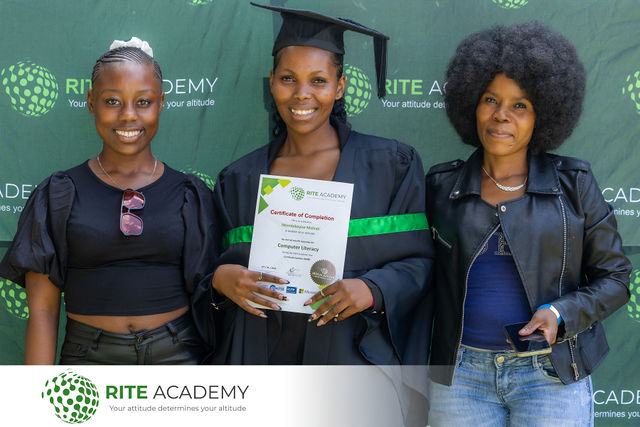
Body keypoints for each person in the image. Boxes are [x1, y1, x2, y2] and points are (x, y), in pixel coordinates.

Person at [193, 2, 432, 369]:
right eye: (288, 78)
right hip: (259, 360)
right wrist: (222, 280)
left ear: (340, 86)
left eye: (318, 80)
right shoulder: (239, 180)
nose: (301, 93)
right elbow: (207, 271)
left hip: (348, 362)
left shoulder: (390, 167)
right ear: (272, 81)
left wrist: (372, 289)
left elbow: (420, 263)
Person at [425, 22, 631, 426]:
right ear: (471, 104)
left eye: (519, 105)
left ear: (544, 115)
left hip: (550, 373)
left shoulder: (574, 185)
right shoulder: (441, 187)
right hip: (460, 377)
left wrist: (560, 313)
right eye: (490, 100)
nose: (501, 115)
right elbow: (414, 273)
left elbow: (616, 278)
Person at [0, 37, 216, 365]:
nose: (128, 116)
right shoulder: (57, 195)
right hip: (88, 360)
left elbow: (209, 294)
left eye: (143, 102)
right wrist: (36, 392)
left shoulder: (190, 194)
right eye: (112, 101)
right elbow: (43, 312)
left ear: (161, 102)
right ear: (91, 102)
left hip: (179, 358)